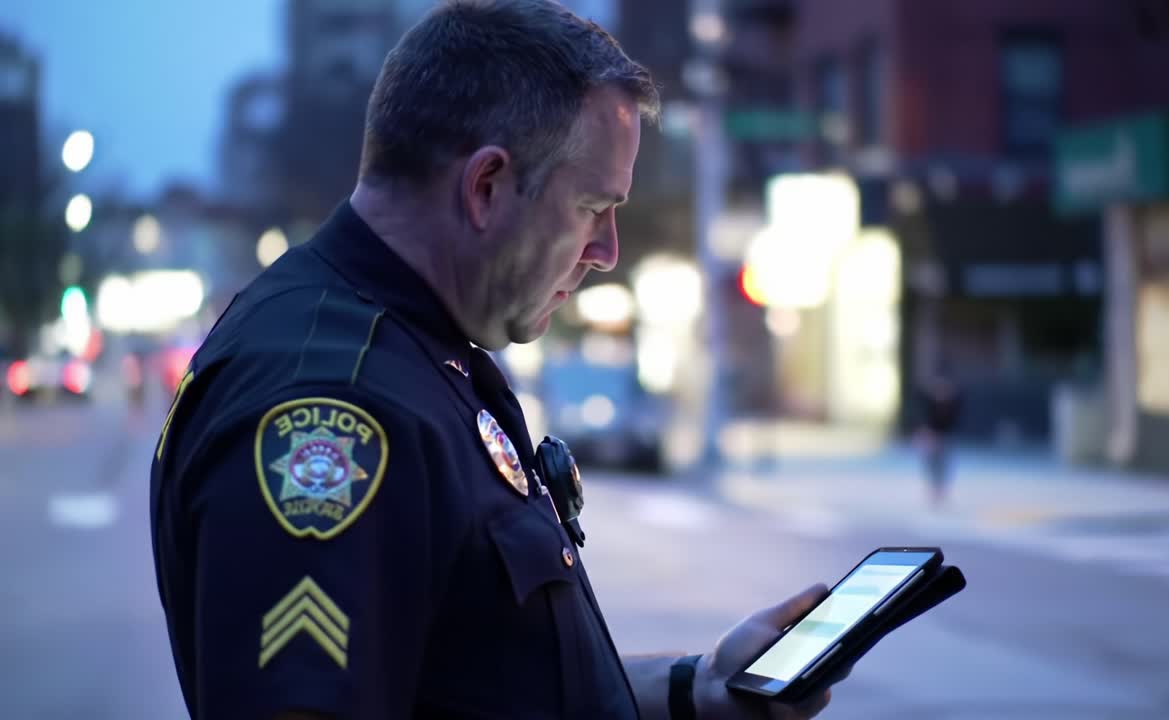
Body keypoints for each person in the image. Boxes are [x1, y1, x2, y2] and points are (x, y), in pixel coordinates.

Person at [150, 1, 853, 717]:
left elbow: (484, 682)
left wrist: (695, 689)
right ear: (485, 187)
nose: (606, 252)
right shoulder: (336, 401)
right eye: (591, 207)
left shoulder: (415, 349)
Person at [914, 367, 963, 507]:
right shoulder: (928, 401)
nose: (942, 390)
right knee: (931, 463)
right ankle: (934, 491)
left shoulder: (954, 403)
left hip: (946, 437)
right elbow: (923, 419)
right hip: (931, 435)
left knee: (944, 464)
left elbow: (953, 422)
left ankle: (941, 491)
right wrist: (925, 433)